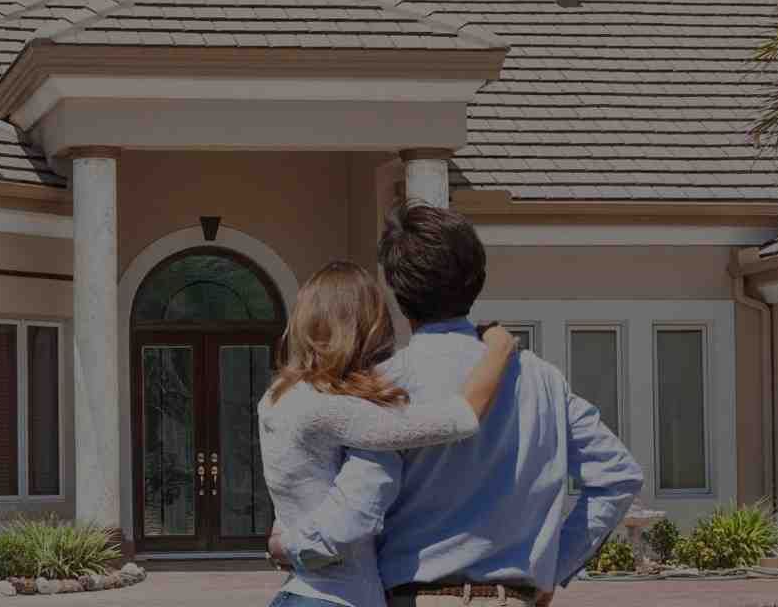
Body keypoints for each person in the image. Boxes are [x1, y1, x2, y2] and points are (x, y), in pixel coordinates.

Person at [271, 203, 644, 607]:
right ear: (478, 279)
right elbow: (618, 474)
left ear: (397, 292)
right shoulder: (542, 379)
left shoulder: (381, 388)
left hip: (416, 597)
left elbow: (356, 505)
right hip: (513, 599)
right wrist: (553, 568)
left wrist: (292, 546)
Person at [260, 260, 522, 607]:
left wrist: (286, 544)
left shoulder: (280, 396)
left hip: (303, 593)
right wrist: (500, 348)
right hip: (335, 598)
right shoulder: (333, 408)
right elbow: (461, 417)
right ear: (367, 326)